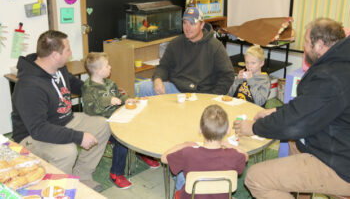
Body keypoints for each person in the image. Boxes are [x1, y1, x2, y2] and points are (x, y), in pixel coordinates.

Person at [234, 18, 350, 198]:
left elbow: (295, 122)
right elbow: (311, 106)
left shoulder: (331, 76)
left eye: (305, 42)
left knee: (255, 178)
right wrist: (276, 111)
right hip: (337, 137)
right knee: (294, 143)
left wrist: (253, 128)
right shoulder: (340, 63)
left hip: (341, 163)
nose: (303, 47)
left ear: (319, 45)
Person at [11, 30, 110, 192]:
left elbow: (73, 83)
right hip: (31, 135)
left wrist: (102, 92)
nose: (71, 54)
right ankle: (60, 190)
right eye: (68, 50)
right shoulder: (29, 86)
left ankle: (82, 177)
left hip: (63, 120)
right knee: (66, 151)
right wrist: (78, 137)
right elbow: (38, 129)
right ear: (55, 55)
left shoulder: (58, 67)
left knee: (102, 125)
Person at [81, 52, 158, 188]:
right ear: (98, 71)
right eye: (107, 65)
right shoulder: (88, 87)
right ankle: (116, 173)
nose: (110, 67)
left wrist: (126, 99)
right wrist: (108, 100)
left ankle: (142, 152)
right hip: (100, 125)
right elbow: (90, 108)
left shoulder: (110, 83)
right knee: (122, 139)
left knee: (139, 124)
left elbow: (119, 96)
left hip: (117, 118)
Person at [138, 7, 234, 97]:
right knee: (141, 87)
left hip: (202, 94)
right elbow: (163, 67)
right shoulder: (175, 43)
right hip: (176, 90)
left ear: (202, 25)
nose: (187, 28)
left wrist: (212, 97)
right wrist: (158, 79)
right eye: (185, 23)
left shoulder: (215, 47)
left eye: (192, 24)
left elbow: (227, 76)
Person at [161, 104, 248, 199]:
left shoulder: (187, 153)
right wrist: (229, 145)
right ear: (228, 131)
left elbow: (164, 158)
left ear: (200, 129)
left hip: (192, 195)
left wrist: (183, 145)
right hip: (222, 195)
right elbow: (245, 156)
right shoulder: (233, 155)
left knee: (180, 174)